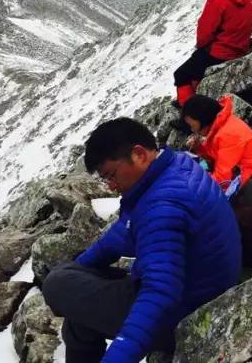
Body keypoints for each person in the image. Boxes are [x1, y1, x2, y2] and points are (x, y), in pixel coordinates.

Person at [42, 118, 241, 363]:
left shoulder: (161, 206)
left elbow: (160, 294)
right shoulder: (173, 167)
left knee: (56, 284)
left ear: (138, 154)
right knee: (77, 312)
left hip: (188, 310)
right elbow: (126, 231)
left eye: (111, 175)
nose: (111, 186)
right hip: (202, 285)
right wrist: (81, 266)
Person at [173, 0, 252, 106]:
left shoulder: (217, 1)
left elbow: (204, 34)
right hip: (241, 51)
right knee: (195, 70)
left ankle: (188, 114)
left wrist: (200, 47)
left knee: (181, 75)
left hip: (219, 54)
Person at [182, 94, 252, 188]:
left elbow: (223, 180)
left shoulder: (228, 134)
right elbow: (217, 154)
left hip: (248, 184)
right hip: (240, 176)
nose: (192, 130)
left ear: (203, 119)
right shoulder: (221, 126)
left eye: (193, 125)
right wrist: (199, 148)